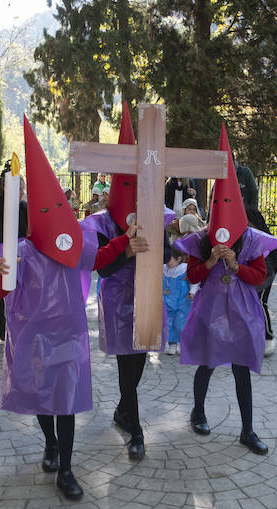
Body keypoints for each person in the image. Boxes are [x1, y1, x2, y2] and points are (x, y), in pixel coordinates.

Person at [0, 117, 135, 500]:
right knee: (42, 395)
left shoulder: (74, 248)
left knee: (65, 399)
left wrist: (126, 242)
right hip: (32, 335)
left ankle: (66, 469)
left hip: (68, 333)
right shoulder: (20, 253)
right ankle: (50, 444)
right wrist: (1, 274)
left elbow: (100, 256)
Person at [173, 124, 277, 454]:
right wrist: (209, 263)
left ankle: (248, 429)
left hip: (242, 311)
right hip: (211, 309)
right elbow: (191, 276)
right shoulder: (203, 239)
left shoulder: (252, 239)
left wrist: (235, 264)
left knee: (241, 367)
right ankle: (198, 411)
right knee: (207, 362)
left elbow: (259, 277)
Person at [79, 104, 176, 461]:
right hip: (119, 302)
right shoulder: (101, 225)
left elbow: (167, 254)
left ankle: (123, 411)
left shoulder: (156, 215)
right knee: (125, 365)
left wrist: (159, 247)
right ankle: (135, 429)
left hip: (148, 299)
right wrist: (126, 251)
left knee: (138, 366)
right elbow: (100, 269)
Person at [0, 162, 28, 340]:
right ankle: (1, 321)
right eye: (19, 189)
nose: (22, 193)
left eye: (23, 189)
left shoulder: (23, 207)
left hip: (19, 257)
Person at [245, 205, 277, 356]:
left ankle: (268, 337)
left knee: (261, 301)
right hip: (256, 267)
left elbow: (273, 254)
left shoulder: (262, 233)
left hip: (269, 265)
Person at [163, 249, 198, 355]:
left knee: (180, 323)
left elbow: (194, 281)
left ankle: (183, 344)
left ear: (179, 259)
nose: (167, 262)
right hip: (167, 301)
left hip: (182, 302)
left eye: (170, 259)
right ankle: (172, 344)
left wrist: (192, 292)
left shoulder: (185, 269)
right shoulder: (164, 268)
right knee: (168, 323)